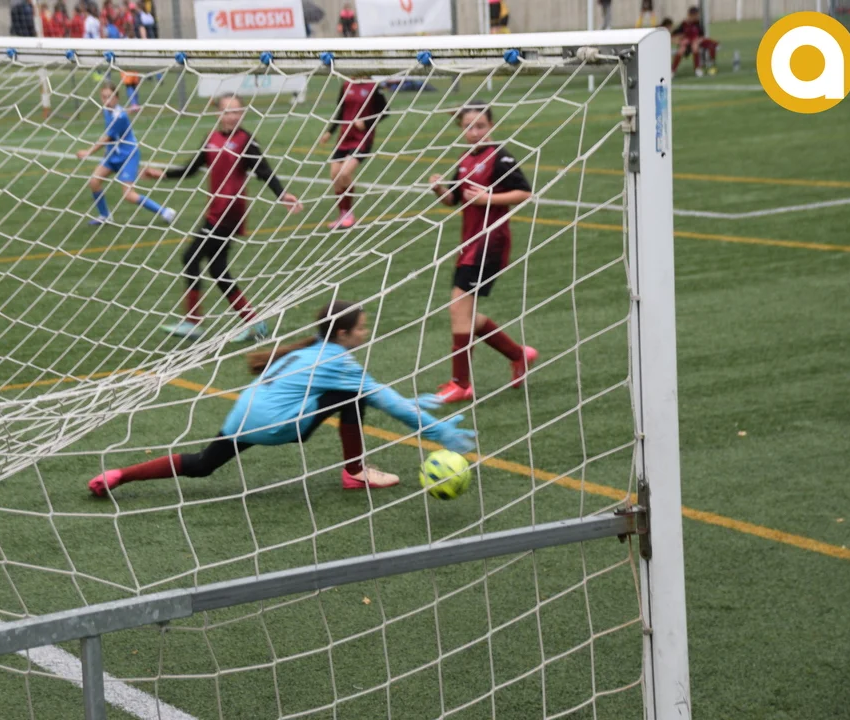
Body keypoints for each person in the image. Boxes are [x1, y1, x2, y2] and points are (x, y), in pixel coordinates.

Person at [87, 301, 476, 497]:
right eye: (360, 328)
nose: (365, 332)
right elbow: (386, 402)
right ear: (342, 334)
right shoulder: (339, 361)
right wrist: (439, 432)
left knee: (202, 464)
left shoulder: (306, 351)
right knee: (354, 396)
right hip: (281, 426)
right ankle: (355, 472)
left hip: (243, 416)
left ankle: (119, 475)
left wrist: (408, 401)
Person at [141, 95, 303, 342]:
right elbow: (191, 169)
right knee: (217, 268)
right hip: (216, 210)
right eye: (227, 111)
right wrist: (162, 174)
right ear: (218, 114)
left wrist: (282, 194)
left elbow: (263, 170)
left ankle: (193, 322)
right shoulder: (211, 139)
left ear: (243, 114)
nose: (232, 116)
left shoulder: (245, 141)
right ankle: (254, 323)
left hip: (229, 212)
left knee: (191, 257)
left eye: (237, 111)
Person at [427, 103, 538, 403]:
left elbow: (524, 193)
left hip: (490, 243)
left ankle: (461, 384)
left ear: (491, 127)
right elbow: (454, 199)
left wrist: (489, 198)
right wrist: (439, 189)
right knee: (465, 313)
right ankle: (518, 354)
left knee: (458, 308)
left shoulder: (500, 157)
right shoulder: (465, 160)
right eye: (468, 127)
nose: (474, 132)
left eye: (480, 126)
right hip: (470, 243)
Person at [76, 81, 176, 226]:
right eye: (104, 97)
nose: (107, 100)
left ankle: (165, 212)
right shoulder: (107, 111)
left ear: (117, 98)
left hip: (128, 156)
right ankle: (105, 216)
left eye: (110, 97)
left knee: (129, 195)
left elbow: (107, 137)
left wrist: (88, 152)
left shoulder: (120, 116)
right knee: (94, 182)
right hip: (113, 156)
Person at [318, 78, 387, 230]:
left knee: (345, 173)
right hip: (344, 137)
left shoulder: (373, 87)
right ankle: (342, 214)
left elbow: (384, 111)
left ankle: (349, 214)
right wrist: (330, 132)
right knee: (335, 175)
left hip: (362, 138)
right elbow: (342, 110)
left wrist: (366, 123)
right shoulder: (346, 85)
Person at [672, 6, 719, 77]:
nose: (697, 16)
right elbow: (675, 34)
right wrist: (680, 40)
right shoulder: (684, 24)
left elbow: (701, 36)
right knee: (681, 49)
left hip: (695, 43)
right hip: (686, 44)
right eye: (696, 15)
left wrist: (698, 40)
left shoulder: (697, 24)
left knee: (695, 46)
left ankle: (697, 69)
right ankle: (672, 71)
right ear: (690, 15)